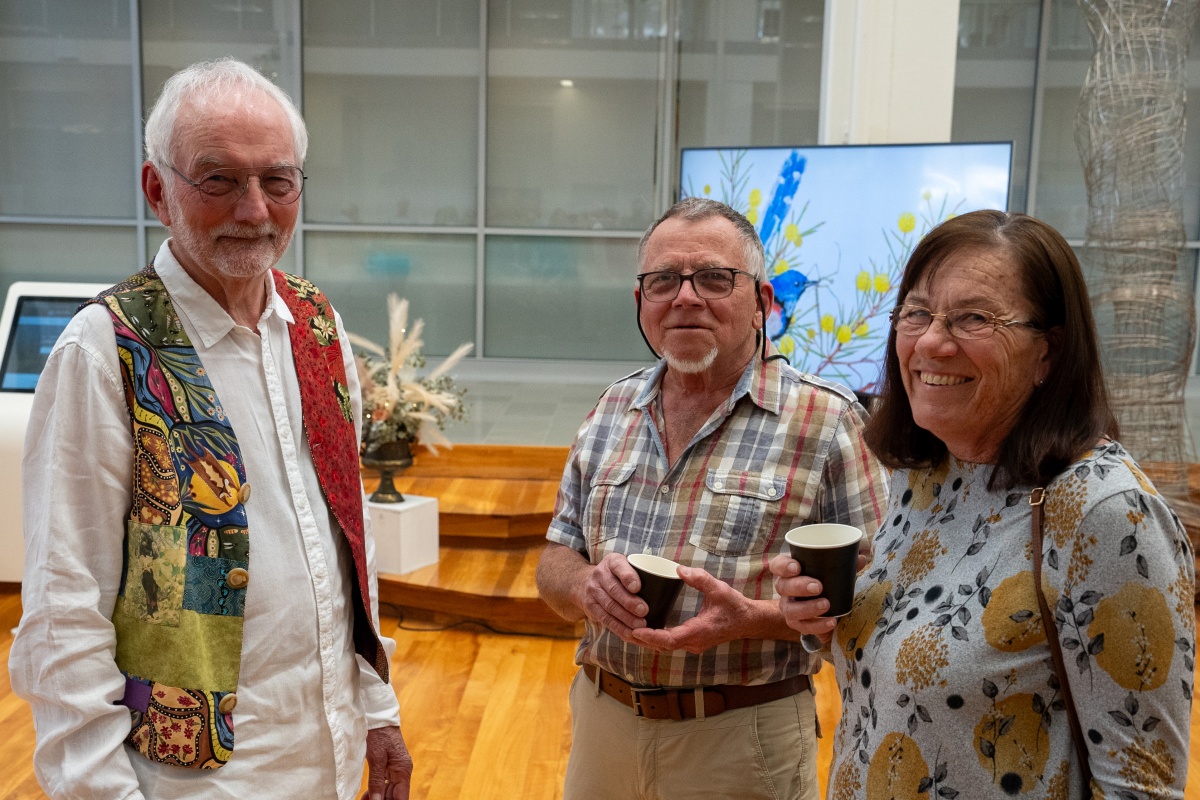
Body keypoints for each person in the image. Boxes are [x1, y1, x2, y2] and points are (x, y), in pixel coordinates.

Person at [9, 58, 412, 800]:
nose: (254, 210)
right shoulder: (105, 352)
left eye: (277, 181)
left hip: (327, 751)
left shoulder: (316, 325)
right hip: (191, 781)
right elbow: (65, 612)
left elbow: (347, 543)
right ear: (157, 190)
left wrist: (376, 706)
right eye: (218, 179)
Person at [772, 210, 1195, 798]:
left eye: (974, 318)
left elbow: (1141, 788)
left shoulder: (1107, 513)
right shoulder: (924, 474)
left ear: (1049, 353)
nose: (931, 342)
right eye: (917, 313)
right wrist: (820, 620)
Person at [536, 197, 888, 800]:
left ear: (762, 303)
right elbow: (553, 561)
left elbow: (882, 606)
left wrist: (751, 619)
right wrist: (585, 586)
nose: (686, 297)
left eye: (714, 278)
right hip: (602, 727)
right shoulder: (612, 409)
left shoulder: (828, 423)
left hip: (742, 739)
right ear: (641, 301)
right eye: (664, 280)